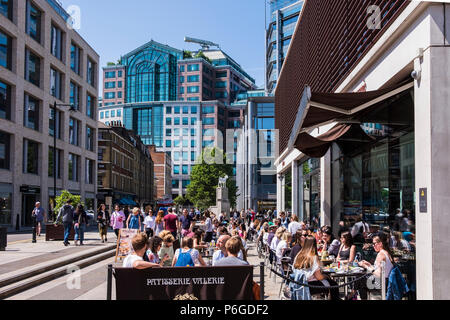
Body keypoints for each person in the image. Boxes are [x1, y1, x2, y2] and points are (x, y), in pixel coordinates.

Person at [357, 232, 394, 299]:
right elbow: (380, 269)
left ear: (380, 244)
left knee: (359, 280)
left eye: (374, 243)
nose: (373, 245)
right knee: (361, 279)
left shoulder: (381, 254)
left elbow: (379, 274)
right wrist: (369, 265)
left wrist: (366, 266)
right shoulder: (387, 252)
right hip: (387, 281)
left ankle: (353, 295)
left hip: (381, 283)